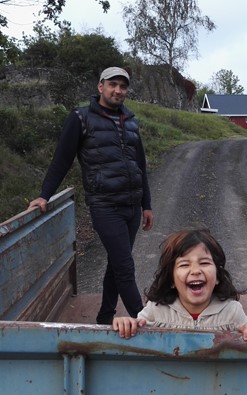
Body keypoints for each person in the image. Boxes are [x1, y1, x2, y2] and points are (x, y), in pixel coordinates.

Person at [28, 67, 153, 325]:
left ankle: (105, 317)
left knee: (116, 265)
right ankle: (146, 322)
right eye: (113, 84)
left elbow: (140, 165)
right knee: (125, 267)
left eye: (123, 86)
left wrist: (146, 205)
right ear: (100, 87)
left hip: (131, 207)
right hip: (105, 206)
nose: (118, 90)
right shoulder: (81, 118)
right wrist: (44, 195)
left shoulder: (130, 121)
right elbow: (61, 160)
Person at [111, 229, 247, 343]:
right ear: (171, 280)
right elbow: (135, 328)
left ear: (218, 276)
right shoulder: (156, 309)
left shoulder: (232, 311)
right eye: (184, 265)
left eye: (204, 263)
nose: (196, 271)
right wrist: (127, 323)